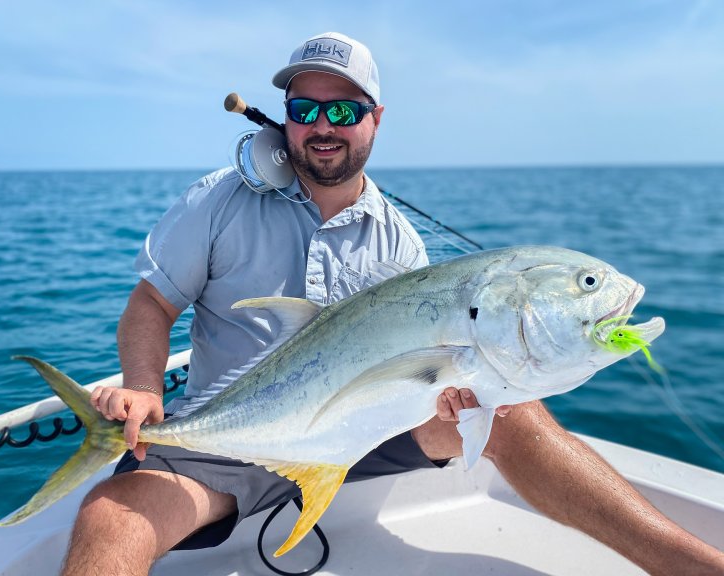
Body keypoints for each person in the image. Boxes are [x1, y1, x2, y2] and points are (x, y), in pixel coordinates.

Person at [66, 32, 724, 576]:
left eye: (345, 111)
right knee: (111, 516)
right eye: (304, 109)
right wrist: (145, 389)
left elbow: (423, 375)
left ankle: (686, 565)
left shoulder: (397, 242)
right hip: (230, 441)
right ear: (286, 116)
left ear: (376, 119)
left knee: (514, 413)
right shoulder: (221, 201)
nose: (324, 126)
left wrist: (457, 400)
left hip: (364, 431)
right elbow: (151, 304)